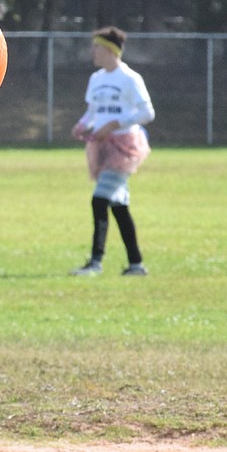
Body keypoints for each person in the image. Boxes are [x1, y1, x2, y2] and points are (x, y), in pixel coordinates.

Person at [70, 26, 155, 276]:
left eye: (96, 47)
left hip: (125, 146)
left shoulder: (130, 78)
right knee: (118, 206)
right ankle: (136, 264)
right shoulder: (96, 79)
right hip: (102, 146)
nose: (93, 52)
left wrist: (116, 124)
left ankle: (95, 263)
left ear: (109, 50)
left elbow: (147, 113)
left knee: (99, 200)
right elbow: (93, 112)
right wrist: (83, 125)